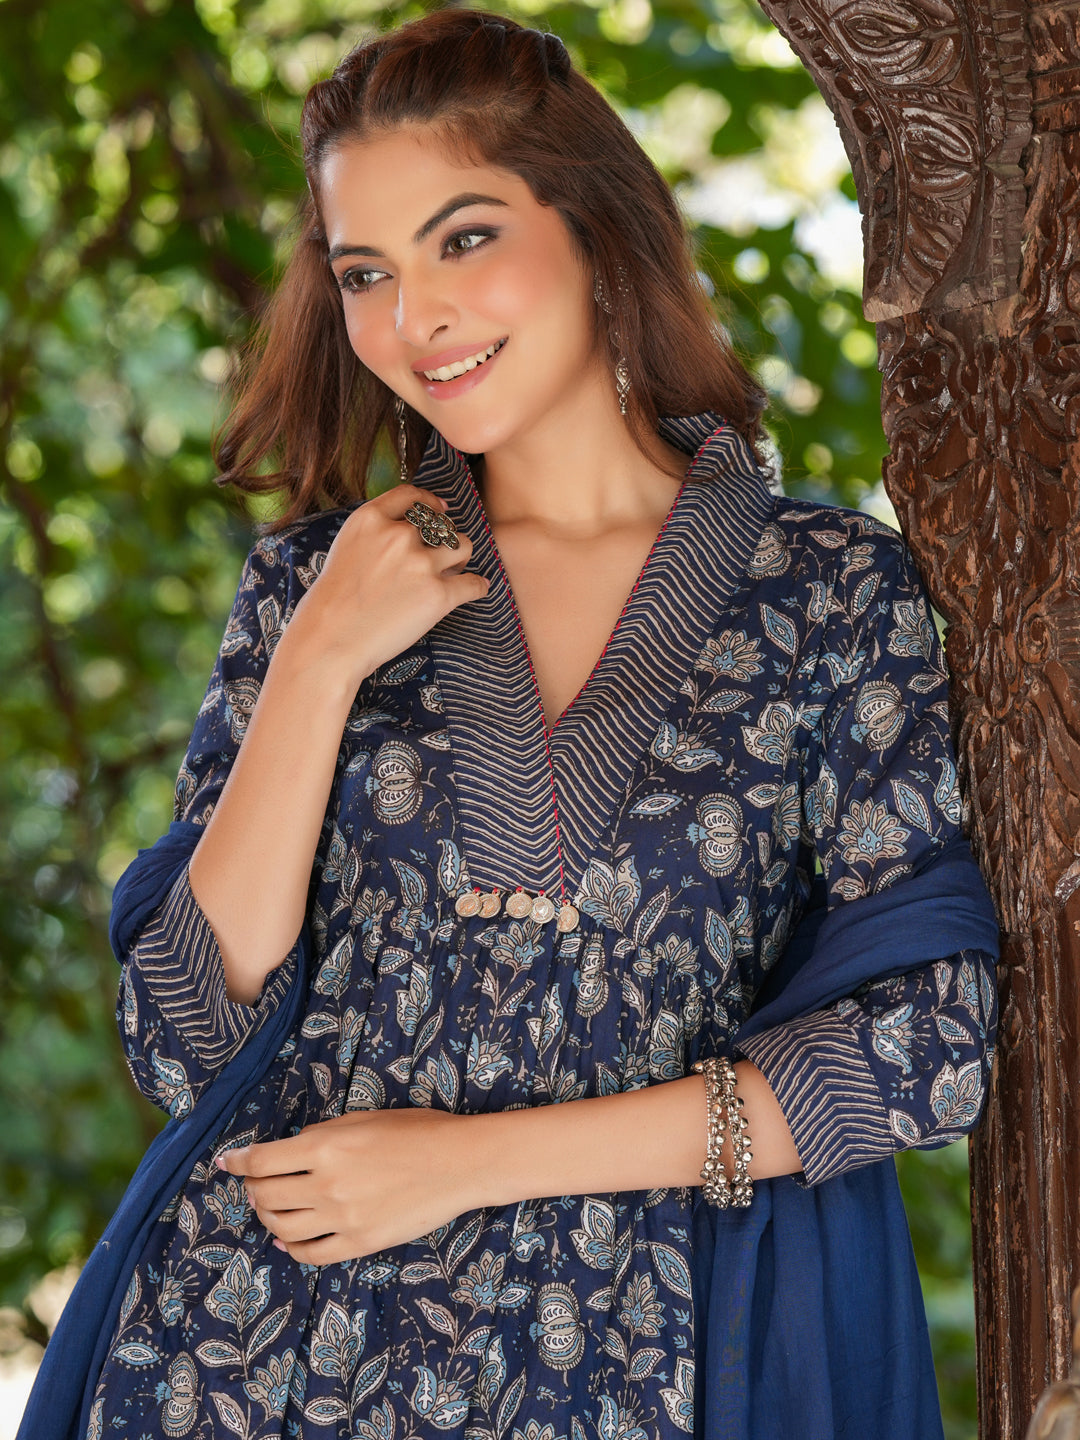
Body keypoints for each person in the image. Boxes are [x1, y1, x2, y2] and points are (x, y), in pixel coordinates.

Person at [20, 11, 1001, 1439]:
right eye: (366, 272)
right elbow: (180, 1044)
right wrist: (318, 661)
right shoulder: (318, 584)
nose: (411, 318)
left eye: (463, 240)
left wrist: (467, 1165)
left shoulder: (828, 591)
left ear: (595, 232)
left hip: (635, 1361)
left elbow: (929, 1050)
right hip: (251, 1354)